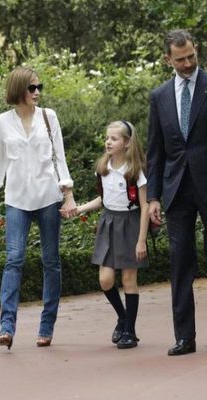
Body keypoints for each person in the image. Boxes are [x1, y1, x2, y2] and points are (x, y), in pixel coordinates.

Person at [0, 66, 76, 350]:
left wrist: (68, 195)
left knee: (51, 261)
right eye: (31, 88)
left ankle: (46, 328)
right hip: (16, 201)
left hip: (48, 197)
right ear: (18, 90)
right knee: (14, 259)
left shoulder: (49, 117)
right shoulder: (1, 123)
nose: (37, 93)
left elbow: (59, 157)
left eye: (39, 88)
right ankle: (6, 327)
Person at [147, 29, 207, 356]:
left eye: (191, 57)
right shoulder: (159, 96)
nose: (187, 64)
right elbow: (155, 153)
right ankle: (185, 337)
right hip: (175, 191)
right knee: (180, 263)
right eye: (180, 59)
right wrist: (153, 197)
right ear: (167, 58)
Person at [76, 120, 149, 349]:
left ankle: (130, 332)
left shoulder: (135, 171)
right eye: (107, 138)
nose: (108, 142)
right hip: (108, 222)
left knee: (128, 280)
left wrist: (141, 240)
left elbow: (145, 206)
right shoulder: (103, 168)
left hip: (130, 224)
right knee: (105, 280)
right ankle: (123, 317)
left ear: (127, 143)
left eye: (114, 138)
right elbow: (103, 200)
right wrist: (79, 209)